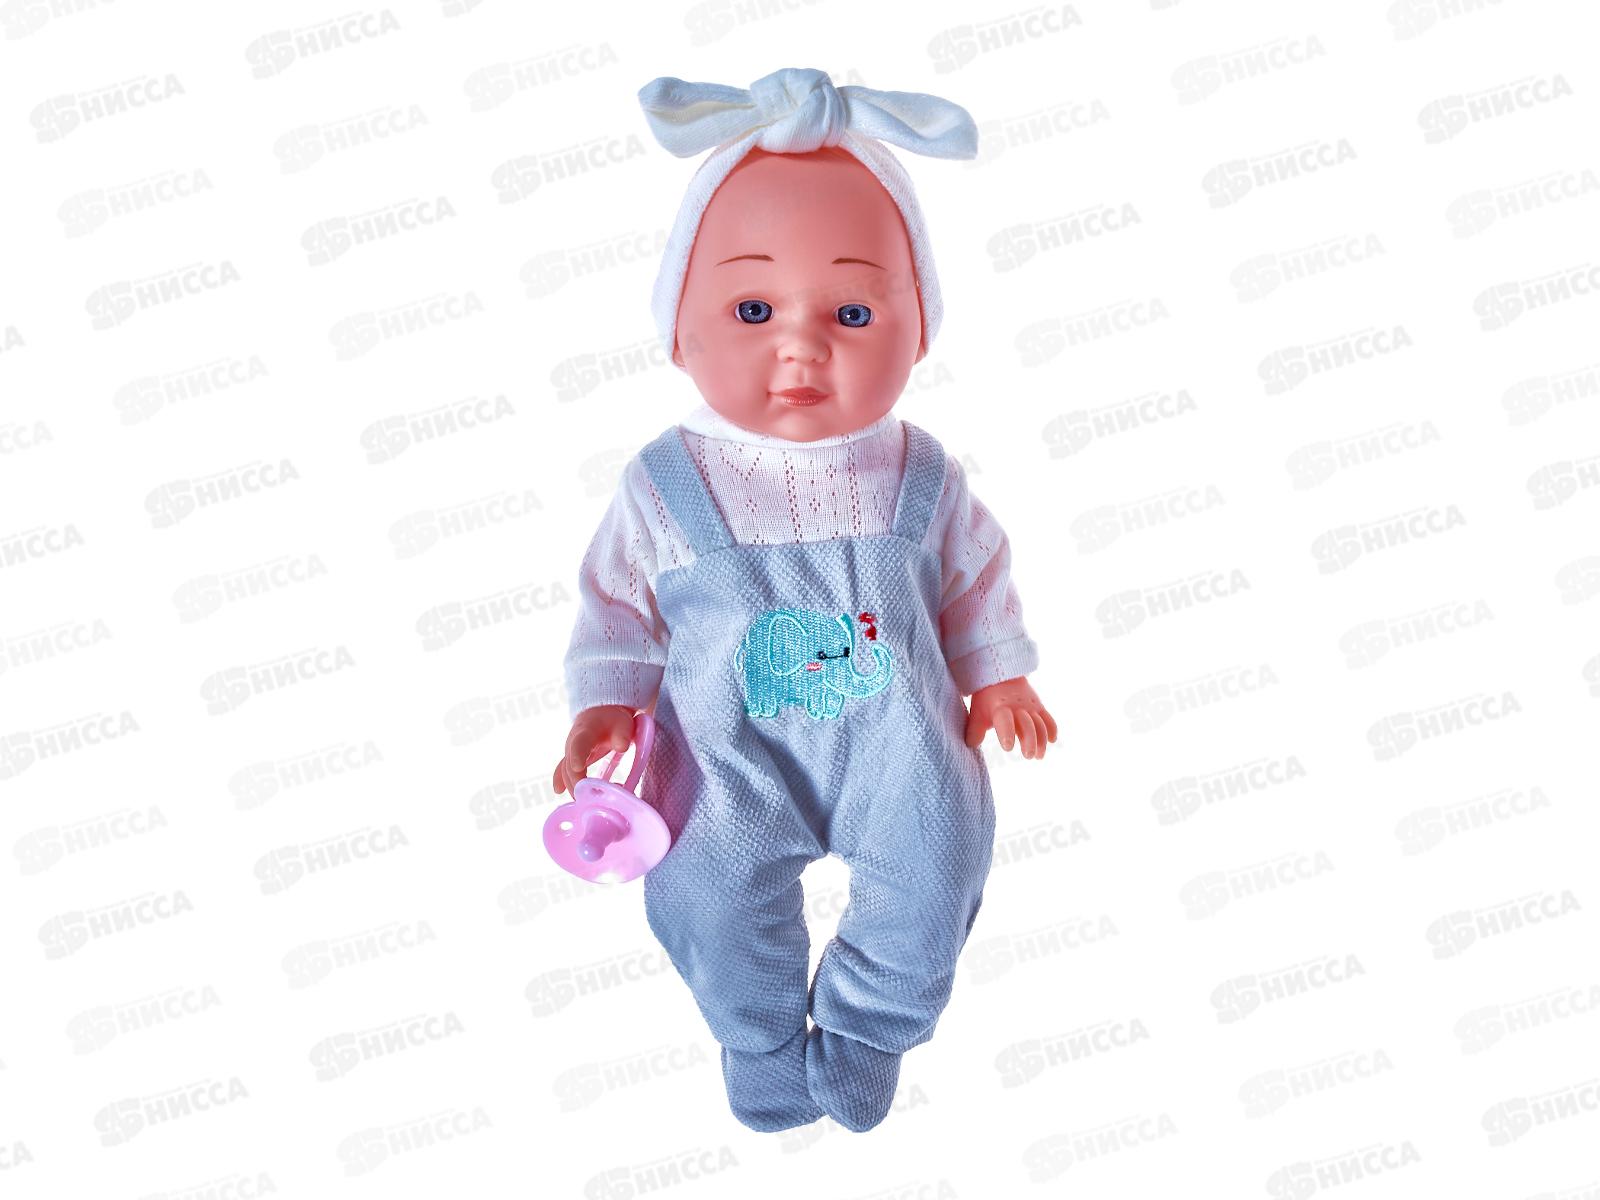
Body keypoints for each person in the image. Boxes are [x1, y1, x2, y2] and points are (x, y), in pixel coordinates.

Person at [552, 68, 1057, 1133]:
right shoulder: (667, 481)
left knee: (940, 856)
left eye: (854, 312)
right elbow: (616, 603)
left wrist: (998, 674)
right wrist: (606, 705)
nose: (801, 344)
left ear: (918, 333)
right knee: (703, 887)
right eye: (752, 309)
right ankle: (761, 1040)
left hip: (900, 740)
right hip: (723, 750)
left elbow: (974, 575)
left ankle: (871, 1030)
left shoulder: (920, 473)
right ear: (679, 331)